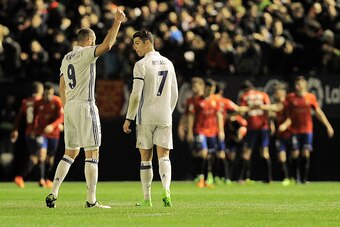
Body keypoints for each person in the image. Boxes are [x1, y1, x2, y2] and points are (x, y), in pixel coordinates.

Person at [45, 9, 126, 208]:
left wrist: (66, 109)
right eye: (94, 40)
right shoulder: (85, 54)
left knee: (69, 153)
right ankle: (91, 200)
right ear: (90, 40)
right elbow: (107, 45)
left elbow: (62, 88)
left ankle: (53, 192)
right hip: (85, 105)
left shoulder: (66, 58)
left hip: (70, 107)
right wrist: (117, 23)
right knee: (92, 153)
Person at [123, 30, 178, 207]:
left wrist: (129, 118)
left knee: (145, 157)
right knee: (164, 156)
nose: (134, 47)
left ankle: (147, 199)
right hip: (164, 115)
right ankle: (167, 190)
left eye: (137, 43)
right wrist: (168, 112)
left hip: (145, 115)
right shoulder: (169, 63)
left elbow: (136, 95)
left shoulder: (141, 64)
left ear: (148, 43)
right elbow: (175, 93)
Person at [279, 76, 334, 183]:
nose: (297, 86)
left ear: (305, 85)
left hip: (307, 130)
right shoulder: (290, 98)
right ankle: (295, 178)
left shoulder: (310, 97)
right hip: (294, 130)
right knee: (295, 153)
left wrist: (328, 126)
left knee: (305, 153)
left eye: (299, 84)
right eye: (296, 84)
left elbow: (318, 113)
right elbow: (282, 109)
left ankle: (304, 179)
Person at [187, 79, 224, 188]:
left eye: (213, 89)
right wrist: (189, 131)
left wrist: (221, 130)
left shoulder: (215, 100)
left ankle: (207, 179)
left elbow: (219, 115)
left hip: (212, 132)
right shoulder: (196, 100)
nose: (211, 90)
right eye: (210, 88)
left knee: (209, 156)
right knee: (203, 152)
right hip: (200, 131)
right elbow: (191, 116)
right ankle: (200, 177)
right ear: (205, 88)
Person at [238, 80, 272, 183]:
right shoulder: (263, 95)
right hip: (264, 127)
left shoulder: (245, 96)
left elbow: (242, 110)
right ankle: (267, 179)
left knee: (247, 153)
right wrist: (271, 124)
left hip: (252, 127)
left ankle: (242, 178)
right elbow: (268, 110)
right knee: (265, 153)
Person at [11, 82, 44, 188]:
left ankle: (42, 180)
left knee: (41, 155)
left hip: (27, 132)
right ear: (40, 90)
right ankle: (20, 177)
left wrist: (15, 130)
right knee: (35, 157)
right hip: (36, 132)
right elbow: (37, 117)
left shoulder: (26, 101)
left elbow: (19, 117)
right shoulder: (39, 101)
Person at [34, 82, 63, 188]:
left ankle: (47, 179)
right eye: (46, 94)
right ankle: (41, 179)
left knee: (50, 158)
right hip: (42, 133)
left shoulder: (57, 101)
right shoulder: (38, 103)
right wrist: (35, 129)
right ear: (43, 93)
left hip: (54, 134)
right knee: (42, 154)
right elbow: (34, 117)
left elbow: (61, 117)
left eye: (50, 94)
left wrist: (53, 125)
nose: (48, 96)